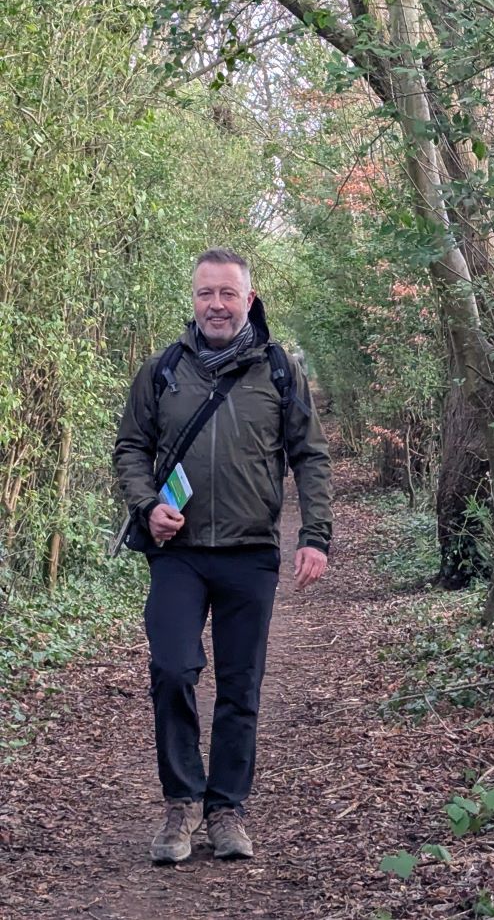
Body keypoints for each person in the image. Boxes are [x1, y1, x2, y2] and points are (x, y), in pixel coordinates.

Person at [114, 248, 332, 863]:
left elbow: (310, 456)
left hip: (250, 554)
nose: (216, 304)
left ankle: (227, 809)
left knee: (241, 687)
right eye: (206, 293)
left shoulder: (280, 370)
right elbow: (131, 448)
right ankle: (181, 802)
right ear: (194, 299)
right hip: (177, 553)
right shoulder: (162, 371)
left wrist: (315, 535)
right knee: (174, 671)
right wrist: (147, 503)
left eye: (227, 293)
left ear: (249, 298)